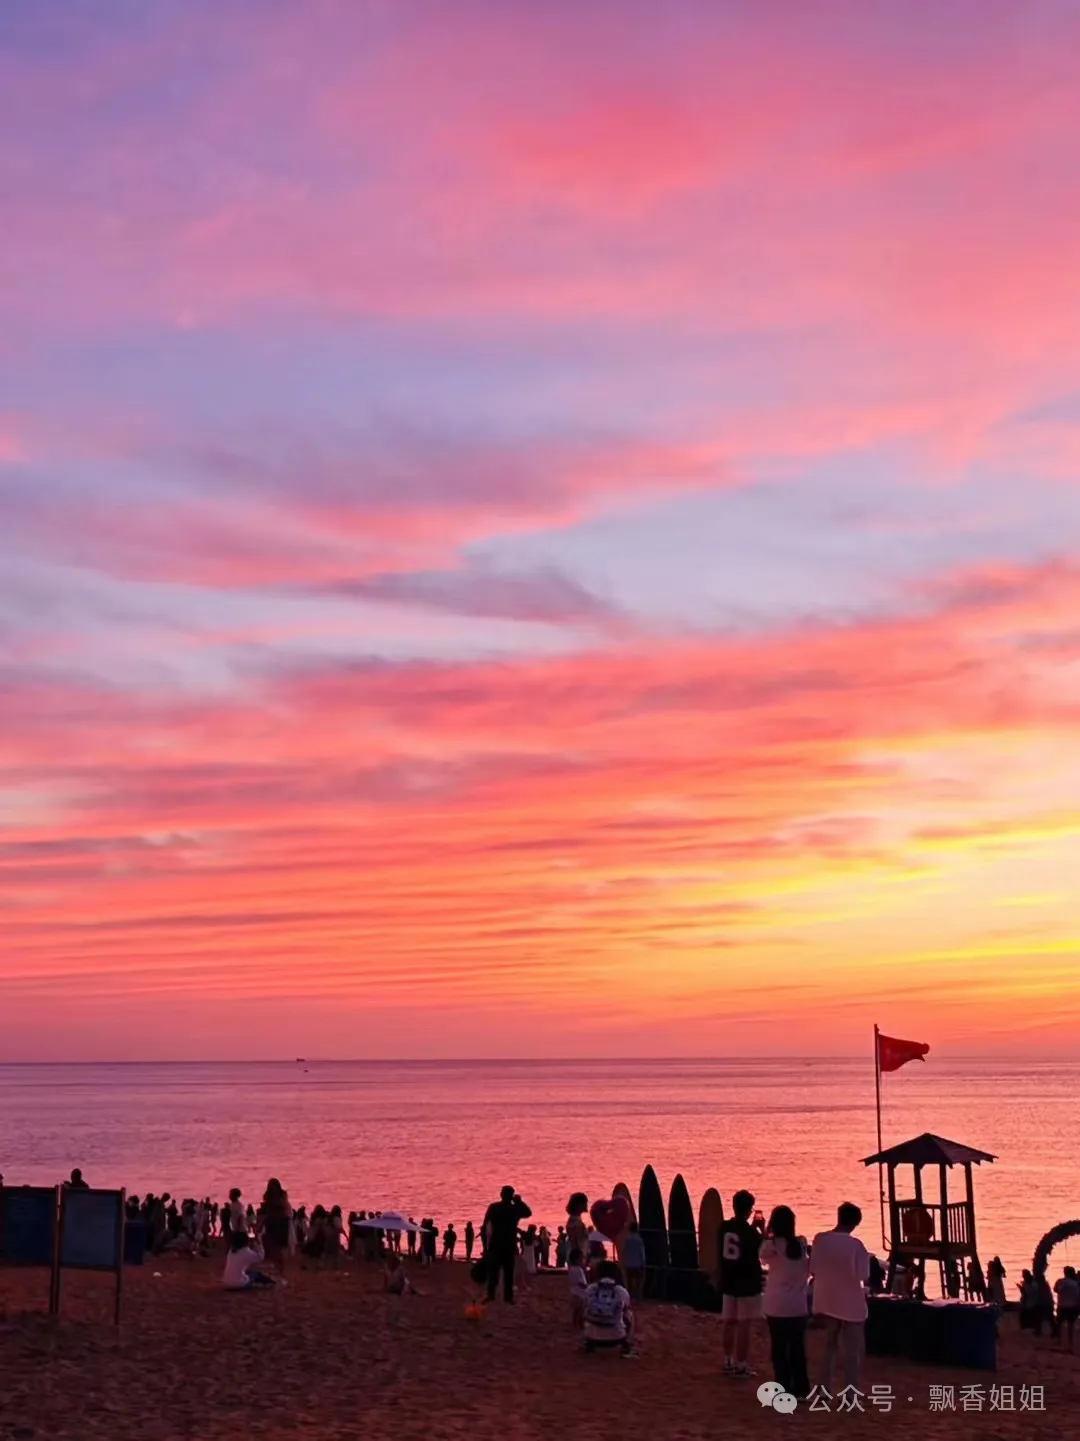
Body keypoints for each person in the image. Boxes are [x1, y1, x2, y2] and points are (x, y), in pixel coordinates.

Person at [810, 1203, 870, 1394]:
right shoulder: (856, 1246)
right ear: (854, 1223)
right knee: (852, 1351)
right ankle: (851, 1392)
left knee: (829, 1346)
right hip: (851, 1303)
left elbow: (813, 1268)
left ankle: (823, 1388)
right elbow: (863, 1275)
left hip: (825, 1299)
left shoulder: (820, 1239)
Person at [759, 1205, 810, 1400]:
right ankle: (802, 1388)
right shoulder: (802, 1243)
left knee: (779, 1349)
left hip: (777, 1304)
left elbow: (762, 1257)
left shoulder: (771, 1246)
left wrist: (763, 1230)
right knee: (797, 1348)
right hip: (798, 1305)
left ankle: (783, 1388)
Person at [718, 1188, 764, 1378]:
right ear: (749, 1210)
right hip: (747, 1282)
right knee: (744, 1324)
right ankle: (741, 1363)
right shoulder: (749, 1232)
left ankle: (728, 1359)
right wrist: (761, 1228)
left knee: (729, 1322)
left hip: (728, 1280)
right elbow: (760, 1249)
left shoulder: (723, 1227)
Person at [482, 1185, 532, 1304]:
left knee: (497, 1271)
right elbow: (528, 1212)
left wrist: (485, 1246)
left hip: (498, 1244)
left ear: (502, 1195)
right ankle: (506, 1297)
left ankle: (493, 1295)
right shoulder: (513, 1209)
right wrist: (519, 1202)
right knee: (506, 1272)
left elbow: (485, 1226)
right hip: (507, 1244)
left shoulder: (495, 1207)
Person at [582, 1260, 636, 1357]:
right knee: (629, 1314)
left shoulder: (590, 1289)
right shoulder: (621, 1291)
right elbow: (626, 1308)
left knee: (585, 1311)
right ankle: (626, 1344)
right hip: (617, 1338)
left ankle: (587, 1343)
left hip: (592, 1338)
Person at [261, 1178, 293, 1275]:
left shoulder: (269, 1197)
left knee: (276, 1246)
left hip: (276, 1222)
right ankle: (279, 1268)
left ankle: (279, 1268)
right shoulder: (277, 1196)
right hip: (277, 1222)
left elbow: (286, 1208)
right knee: (276, 1246)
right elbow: (287, 1208)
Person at [620, 1221, 647, 1300]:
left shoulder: (627, 1239)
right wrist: (643, 1263)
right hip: (637, 1264)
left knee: (629, 1283)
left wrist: (623, 1261)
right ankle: (638, 1298)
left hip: (629, 1264)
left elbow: (624, 1251)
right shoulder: (639, 1240)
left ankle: (629, 1298)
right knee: (638, 1282)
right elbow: (642, 1252)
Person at [1055, 1266, 1079, 1349]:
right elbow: (1077, 1295)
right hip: (1072, 1306)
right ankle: (1070, 1341)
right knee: (1070, 1324)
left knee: (1059, 1323)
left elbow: (1055, 1290)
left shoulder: (1060, 1281)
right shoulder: (1075, 1283)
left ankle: (1059, 1339)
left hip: (1062, 1305)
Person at [568, 1246, 589, 1329]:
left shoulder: (571, 1268)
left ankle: (575, 1324)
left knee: (576, 1310)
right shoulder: (579, 1270)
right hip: (580, 1293)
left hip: (574, 1291)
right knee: (581, 1310)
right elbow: (581, 1282)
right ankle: (579, 1324)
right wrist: (587, 1287)